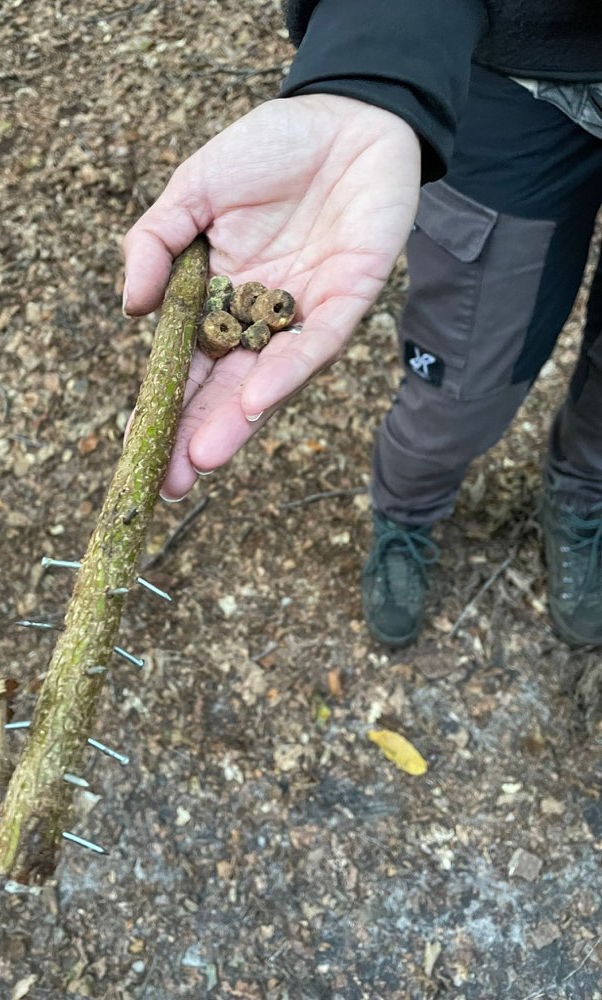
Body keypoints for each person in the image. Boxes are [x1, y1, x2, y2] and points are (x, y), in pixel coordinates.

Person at [123, 1, 602, 648]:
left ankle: (581, 493)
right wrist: (372, 68)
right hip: (517, 79)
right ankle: (406, 517)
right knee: (461, 380)